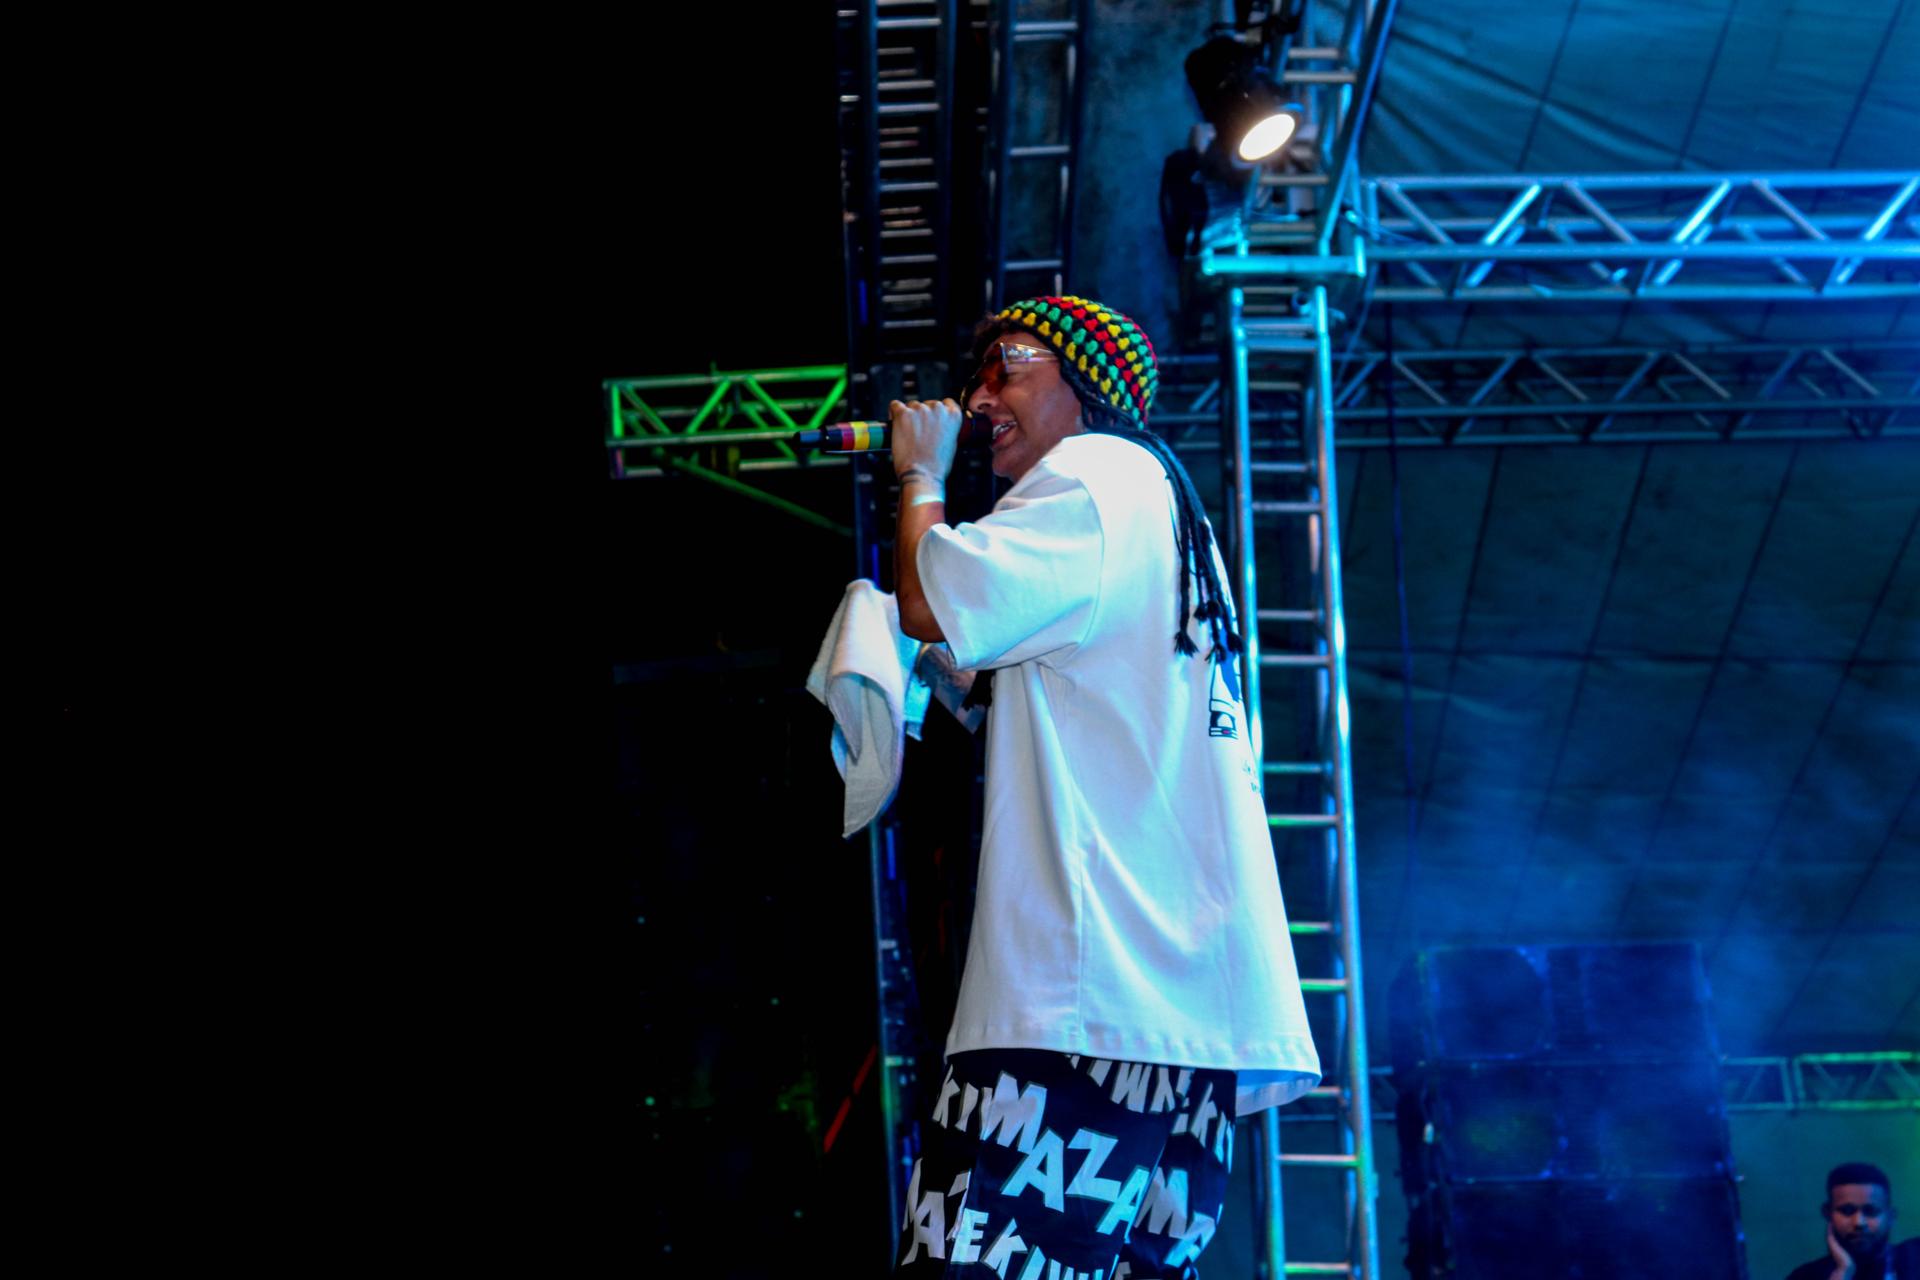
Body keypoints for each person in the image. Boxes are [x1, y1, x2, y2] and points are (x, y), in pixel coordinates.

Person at [884, 295, 1321, 1277]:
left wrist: (919, 476)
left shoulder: (1087, 476)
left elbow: (927, 597)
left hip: (1080, 1002)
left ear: (1085, 382)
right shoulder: (1162, 511)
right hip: (1178, 1023)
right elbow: (1041, 697)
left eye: (1007, 365)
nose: (979, 396)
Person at [1784, 1163, 1918, 1280]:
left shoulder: (1914, 1260)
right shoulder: (1805, 1276)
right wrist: (1843, 1271)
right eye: (1847, 1211)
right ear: (1828, 1214)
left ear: (1891, 1217)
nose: (1859, 1223)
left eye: (1870, 1211)